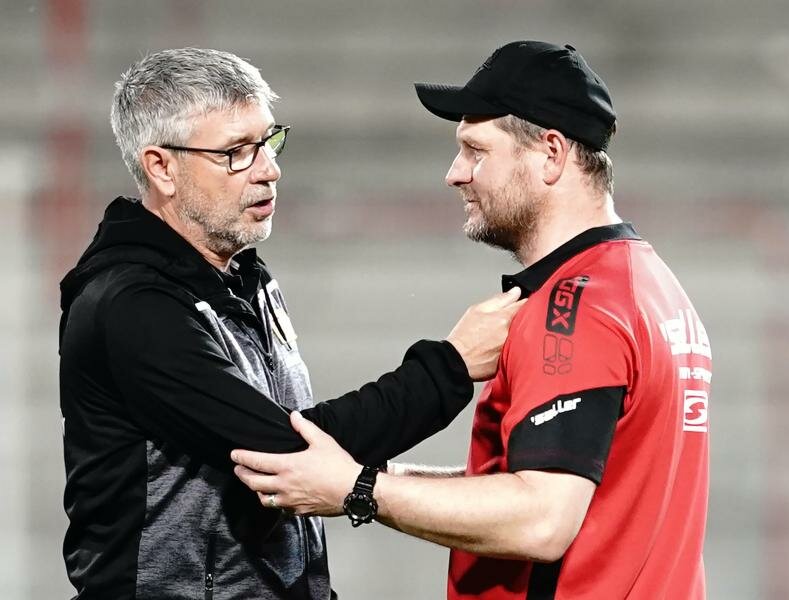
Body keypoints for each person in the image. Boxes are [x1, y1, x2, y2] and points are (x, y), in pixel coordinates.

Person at [232, 41, 713, 599]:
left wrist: (357, 490)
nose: (455, 174)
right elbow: (575, 489)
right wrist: (378, 479)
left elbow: (541, 520)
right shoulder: (651, 285)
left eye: (476, 150)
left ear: (551, 154)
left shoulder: (574, 307)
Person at [58, 47, 525, 600]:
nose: (269, 169)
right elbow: (287, 456)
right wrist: (448, 367)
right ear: (162, 167)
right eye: (236, 152)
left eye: (267, 141)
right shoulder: (130, 305)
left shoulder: (243, 277)